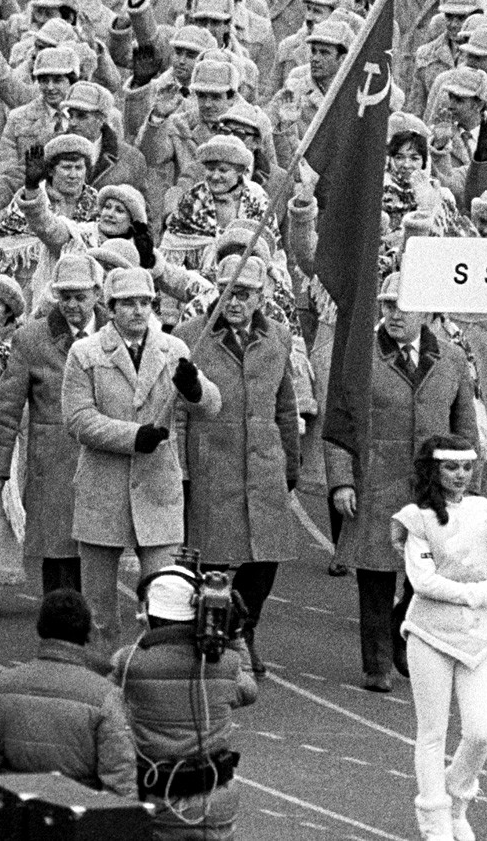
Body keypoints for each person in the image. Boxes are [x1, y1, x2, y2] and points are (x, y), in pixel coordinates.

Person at [326, 273, 479, 693]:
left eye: (403, 306)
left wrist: (470, 488)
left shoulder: (452, 360)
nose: (393, 314)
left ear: (427, 311)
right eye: (388, 305)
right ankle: (376, 665)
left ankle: (400, 637)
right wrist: (341, 481)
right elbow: (339, 423)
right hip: (375, 482)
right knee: (375, 579)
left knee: (425, 579)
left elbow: (464, 430)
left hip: (431, 490)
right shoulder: (359, 358)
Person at [62, 265, 222, 647]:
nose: (137, 310)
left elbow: (212, 407)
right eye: (128, 303)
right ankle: (102, 672)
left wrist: (194, 388)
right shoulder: (84, 353)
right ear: (110, 306)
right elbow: (78, 419)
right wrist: (135, 436)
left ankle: (152, 674)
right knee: (98, 607)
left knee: (165, 599)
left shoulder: (174, 349)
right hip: (103, 488)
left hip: (158, 487)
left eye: (145, 302)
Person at [173, 253, 300, 676]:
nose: (234, 301)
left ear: (261, 296)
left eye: (244, 293)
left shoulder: (278, 337)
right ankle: (214, 635)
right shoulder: (191, 335)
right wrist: (181, 468)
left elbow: (286, 405)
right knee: (209, 560)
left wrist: (290, 461)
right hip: (211, 459)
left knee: (264, 559)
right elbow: (175, 409)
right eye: (227, 290)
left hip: (263, 461)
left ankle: (244, 631)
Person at [390, 435, 487, 841]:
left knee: (480, 732)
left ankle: (457, 801)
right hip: (430, 634)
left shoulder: (484, 510)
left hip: (478, 637)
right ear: (433, 470)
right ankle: (435, 820)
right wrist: (474, 595)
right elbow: (423, 581)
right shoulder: (416, 517)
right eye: (450, 467)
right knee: (432, 732)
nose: (461, 476)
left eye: (467, 467)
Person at [0, 252, 108, 595]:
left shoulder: (116, 334)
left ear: (97, 293)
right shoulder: (31, 338)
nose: (72, 305)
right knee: (58, 561)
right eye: (64, 296)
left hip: (105, 461)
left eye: (80, 297)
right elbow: (7, 407)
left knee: (99, 557)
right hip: (53, 465)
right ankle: (58, 635)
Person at [111, 562, 257, 840]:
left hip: (157, 797)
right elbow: (249, 692)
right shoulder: (225, 662)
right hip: (216, 799)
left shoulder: (129, 661)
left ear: (147, 614)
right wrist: (235, 639)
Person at [0, 590, 137, 795]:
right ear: (88, 632)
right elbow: (120, 777)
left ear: (40, 628)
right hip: (79, 810)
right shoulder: (105, 695)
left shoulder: (0, 686)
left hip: (18, 812)